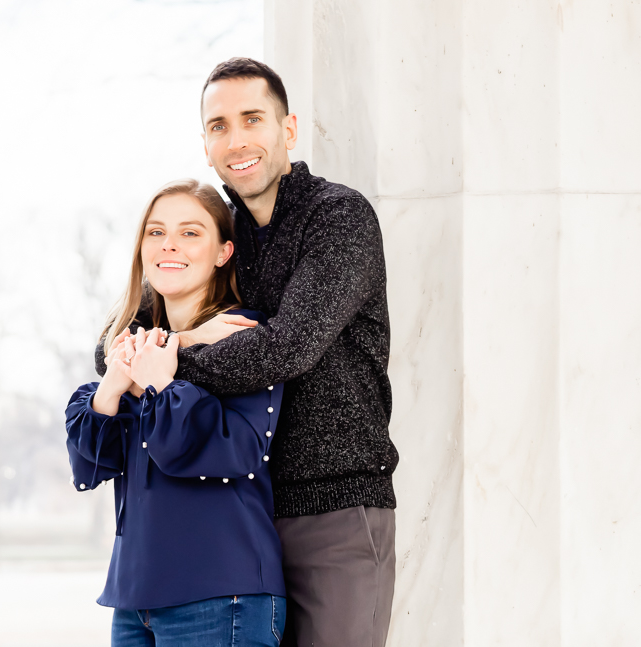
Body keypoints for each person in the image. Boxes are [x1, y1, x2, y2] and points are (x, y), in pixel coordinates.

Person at [96, 57, 397, 647]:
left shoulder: (338, 218)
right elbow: (110, 348)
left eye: (252, 119)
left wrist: (168, 359)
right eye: (218, 126)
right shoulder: (214, 233)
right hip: (242, 523)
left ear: (286, 130)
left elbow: (288, 348)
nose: (236, 140)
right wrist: (174, 342)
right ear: (205, 145)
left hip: (333, 510)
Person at [66, 179, 287, 646]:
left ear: (223, 252)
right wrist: (115, 381)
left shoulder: (244, 337)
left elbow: (235, 452)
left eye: (190, 233)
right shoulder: (135, 348)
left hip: (221, 593)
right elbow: (90, 465)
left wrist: (163, 382)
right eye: (155, 232)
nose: (169, 244)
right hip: (133, 601)